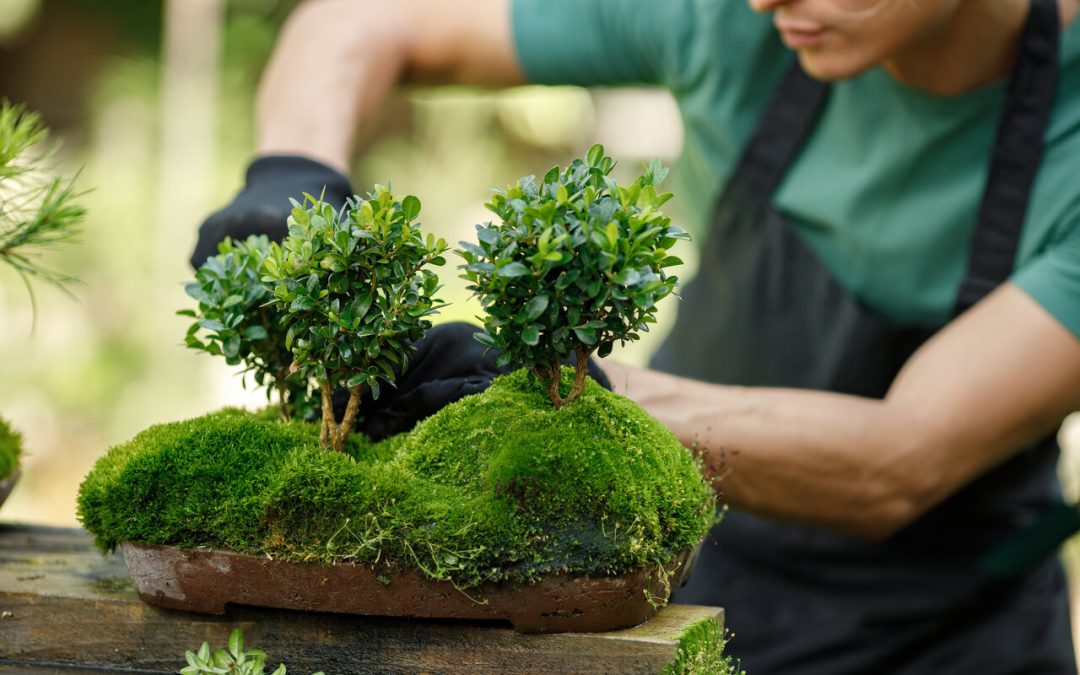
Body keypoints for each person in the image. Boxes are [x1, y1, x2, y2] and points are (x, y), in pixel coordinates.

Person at [191, 0, 1080, 671]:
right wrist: (292, 172)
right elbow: (362, 21)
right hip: (681, 581)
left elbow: (895, 462)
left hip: (943, 637)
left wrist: (552, 393)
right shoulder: (739, 19)